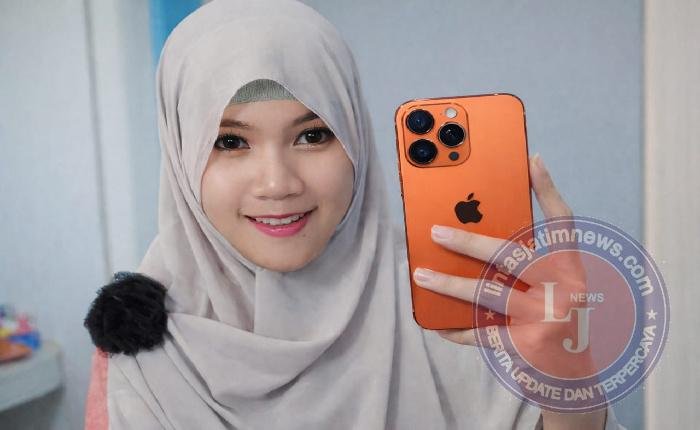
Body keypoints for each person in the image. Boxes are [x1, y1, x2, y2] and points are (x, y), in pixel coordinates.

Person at [83, 0, 625, 428]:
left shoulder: (447, 295)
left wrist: (568, 371)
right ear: (180, 157)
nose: (277, 183)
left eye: (312, 135)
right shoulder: (143, 335)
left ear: (356, 141)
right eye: (230, 142)